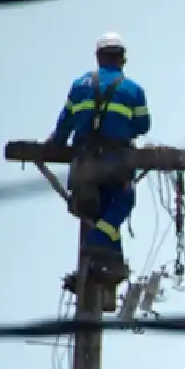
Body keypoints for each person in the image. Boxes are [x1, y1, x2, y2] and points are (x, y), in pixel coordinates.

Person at [47, 33, 151, 269]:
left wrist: (54, 144)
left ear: (98, 57)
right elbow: (143, 126)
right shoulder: (133, 90)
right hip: (116, 162)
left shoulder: (79, 86)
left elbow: (64, 127)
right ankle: (98, 244)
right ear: (122, 59)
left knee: (98, 210)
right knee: (123, 200)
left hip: (85, 163)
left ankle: (106, 260)